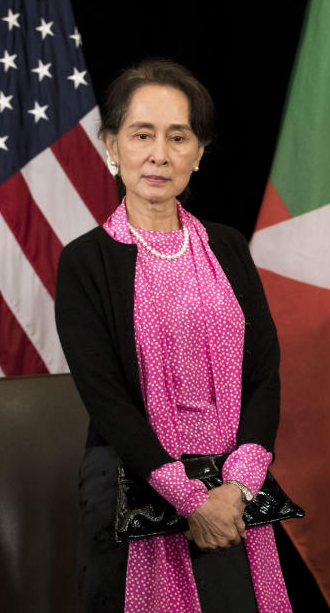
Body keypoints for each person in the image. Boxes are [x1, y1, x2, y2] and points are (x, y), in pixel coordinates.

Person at [55, 59, 291, 613]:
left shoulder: (229, 247)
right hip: (130, 488)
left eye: (178, 136)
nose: (159, 153)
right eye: (141, 134)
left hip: (233, 495)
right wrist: (188, 498)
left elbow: (264, 374)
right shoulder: (85, 262)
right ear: (112, 147)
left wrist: (236, 489)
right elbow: (105, 397)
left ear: (199, 153)